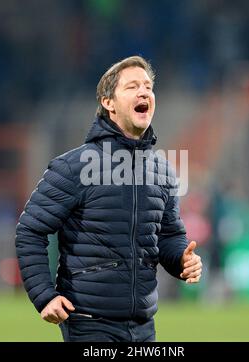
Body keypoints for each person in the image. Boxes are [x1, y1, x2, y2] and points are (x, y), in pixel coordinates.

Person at [15, 55, 202, 342]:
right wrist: (43, 295)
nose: (144, 92)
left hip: (144, 327)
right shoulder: (73, 166)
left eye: (148, 86)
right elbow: (31, 230)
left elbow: (168, 235)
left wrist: (181, 260)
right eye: (132, 87)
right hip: (90, 326)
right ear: (108, 103)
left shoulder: (163, 170)